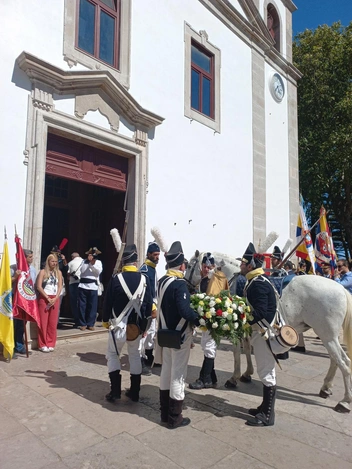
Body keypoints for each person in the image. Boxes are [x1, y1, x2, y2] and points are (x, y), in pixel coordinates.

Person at [102, 244, 153, 403]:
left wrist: (105, 321)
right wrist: (144, 327)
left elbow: (107, 303)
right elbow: (148, 306)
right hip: (136, 328)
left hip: (118, 327)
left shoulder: (116, 279)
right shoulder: (144, 279)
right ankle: (135, 392)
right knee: (135, 357)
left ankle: (115, 391)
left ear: (124, 262)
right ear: (136, 262)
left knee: (112, 355)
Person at [158, 241, 200, 429]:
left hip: (165, 334)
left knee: (166, 371)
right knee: (178, 375)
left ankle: (164, 413)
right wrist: (199, 318)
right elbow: (185, 311)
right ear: (182, 265)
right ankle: (175, 417)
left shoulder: (162, 281)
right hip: (180, 336)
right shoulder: (179, 284)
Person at [240, 242, 277, 427]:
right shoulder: (254, 281)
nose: (240, 266)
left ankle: (268, 415)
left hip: (263, 333)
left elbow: (261, 312)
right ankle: (264, 407)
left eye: (243, 264)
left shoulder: (258, 284)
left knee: (266, 372)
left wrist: (243, 320)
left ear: (250, 265)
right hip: (259, 332)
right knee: (264, 370)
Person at [189, 253, 218, 390]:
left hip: (213, 318)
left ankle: (204, 378)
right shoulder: (204, 280)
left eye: (209, 267)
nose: (207, 269)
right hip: (206, 318)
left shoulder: (214, 279)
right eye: (205, 266)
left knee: (209, 346)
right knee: (206, 344)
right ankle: (212, 377)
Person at [139, 241, 160, 376]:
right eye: (155, 255)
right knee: (143, 333)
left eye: (158, 255)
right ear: (148, 254)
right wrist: (150, 307)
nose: (157, 257)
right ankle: (140, 360)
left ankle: (149, 355)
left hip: (153, 304)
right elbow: (142, 292)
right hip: (146, 305)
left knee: (151, 332)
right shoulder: (144, 270)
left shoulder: (153, 268)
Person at [10, 249, 37, 354]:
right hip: (14, 297)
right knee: (12, 322)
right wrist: (15, 277)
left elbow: (32, 285)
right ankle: (10, 346)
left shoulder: (33, 270)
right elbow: (5, 282)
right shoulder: (13, 268)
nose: (32, 258)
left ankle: (19, 345)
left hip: (26, 299)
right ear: (23, 257)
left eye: (32, 256)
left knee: (22, 322)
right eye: (30, 257)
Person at [36, 254, 63, 352]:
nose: (54, 263)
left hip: (55, 298)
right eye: (52, 261)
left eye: (56, 261)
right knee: (43, 322)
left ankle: (50, 342)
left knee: (52, 322)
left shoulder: (58, 272)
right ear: (48, 262)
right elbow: (39, 286)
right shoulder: (43, 272)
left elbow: (60, 286)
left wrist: (56, 298)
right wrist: (47, 298)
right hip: (44, 298)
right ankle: (42, 343)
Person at [77, 247, 103, 331]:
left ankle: (90, 323)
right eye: (89, 255)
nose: (90, 256)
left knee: (92, 306)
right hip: (83, 285)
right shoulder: (83, 262)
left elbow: (97, 272)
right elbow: (82, 271)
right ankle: (82, 323)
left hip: (93, 286)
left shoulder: (98, 262)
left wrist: (92, 264)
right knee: (82, 305)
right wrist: (88, 262)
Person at [67, 252, 83, 328]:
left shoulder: (71, 263)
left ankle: (77, 320)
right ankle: (83, 320)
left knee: (74, 302)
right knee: (82, 302)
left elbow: (68, 275)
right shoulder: (84, 262)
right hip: (83, 284)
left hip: (73, 283)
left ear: (72, 257)